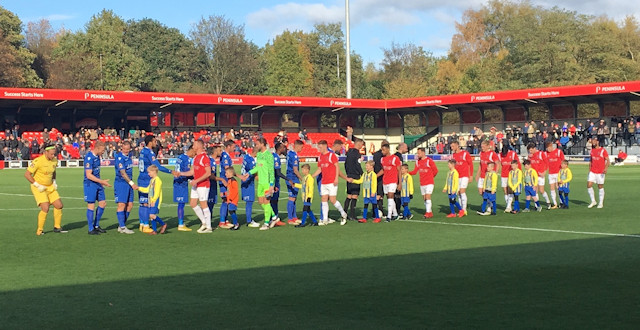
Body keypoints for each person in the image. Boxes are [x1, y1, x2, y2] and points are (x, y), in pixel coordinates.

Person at [24, 143, 66, 235]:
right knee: (45, 207)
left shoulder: (54, 160)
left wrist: (54, 181)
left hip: (50, 186)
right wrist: (37, 184)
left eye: (54, 154)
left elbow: (54, 171)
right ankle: (39, 230)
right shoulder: (38, 161)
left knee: (59, 205)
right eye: (51, 154)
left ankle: (57, 227)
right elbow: (27, 174)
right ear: (46, 152)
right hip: (39, 187)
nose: (53, 155)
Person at [138, 135, 176, 232]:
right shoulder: (150, 152)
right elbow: (157, 166)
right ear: (150, 142)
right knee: (147, 203)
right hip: (148, 179)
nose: (156, 143)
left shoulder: (142, 151)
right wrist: (171, 171)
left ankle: (142, 224)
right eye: (155, 141)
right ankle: (146, 226)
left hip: (140, 178)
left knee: (142, 203)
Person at [178, 140, 213, 233]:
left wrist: (196, 180)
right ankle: (204, 222)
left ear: (198, 145)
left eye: (194, 144)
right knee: (193, 203)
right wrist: (180, 173)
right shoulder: (196, 157)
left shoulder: (204, 157)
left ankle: (209, 227)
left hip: (203, 184)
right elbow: (192, 171)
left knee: (203, 204)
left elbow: (208, 173)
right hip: (196, 184)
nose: (193, 146)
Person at [312, 140, 349, 225]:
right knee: (324, 199)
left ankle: (343, 213)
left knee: (332, 200)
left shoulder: (331, 155)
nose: (319, 149)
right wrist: (311, 176)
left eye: (320, 147)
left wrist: (336, 179)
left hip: (331, 182)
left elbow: (337, 167)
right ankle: (325, 219)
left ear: (325, 146)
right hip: (324, 182)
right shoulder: (320, 157)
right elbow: (319, 169)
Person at [243, 138, 276, 231]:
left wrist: (271, 184)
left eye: (257, 144)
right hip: (260, 183)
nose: (255, 146)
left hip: (266, 183)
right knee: (261, 202)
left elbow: (271, 171)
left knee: (266, 202)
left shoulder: (269, 155)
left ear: (262, 144)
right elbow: (257, 168)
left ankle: (266, 223)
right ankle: (274, 217)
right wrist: (248, 173)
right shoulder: (259, 155)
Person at [84, 141, 112, 235]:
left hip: (98, 183)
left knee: (103, 203)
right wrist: (102, 182)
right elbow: (89, 175)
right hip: (90, 184)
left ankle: (96, 225)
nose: (103, 152)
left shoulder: (97, 157)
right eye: (103, 150)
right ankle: (90, 228)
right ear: (98, 147)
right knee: (91, 205)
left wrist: (101, 182)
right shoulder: (89, 157)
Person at [114, 141, 137, 234]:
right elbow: (123, 173)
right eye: (125, 149)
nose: (126, 151)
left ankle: (121, 225)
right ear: (121, 148)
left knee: (130, 205)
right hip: (121, 183)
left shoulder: (129, 156)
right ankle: (123, 227)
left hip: (129, 183)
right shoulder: (120, 158)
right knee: (121, 205)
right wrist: (132, 183)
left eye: (128, 149)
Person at [136, 165, 166, 235]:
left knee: (151, 215)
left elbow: (157, 192)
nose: (148, 174)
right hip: (151, 200)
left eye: (149, 172)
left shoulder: (158, 180)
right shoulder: (152, 180)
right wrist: (138, 188)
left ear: (154, 171)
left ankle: (163, 224)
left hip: (155, 200)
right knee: (152, 216)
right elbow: (147, 190)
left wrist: (154, 200)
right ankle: (155, 230)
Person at [410, 147, 438, 218]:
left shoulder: (429, 161)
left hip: (429, 182)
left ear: (423, 153)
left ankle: (428, 213)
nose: (418, 154)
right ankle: (429, 211)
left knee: (427, 197)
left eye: (419, 153)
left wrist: (431, 177)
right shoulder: (417, 161)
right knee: (425, 198)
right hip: (422, 183)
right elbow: (414, 171)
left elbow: (435, 170)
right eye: (417, 153)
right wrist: (407, 173)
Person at [174, 145, 196, 231]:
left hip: (177, 181)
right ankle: (180, 224)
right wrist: (195, 178)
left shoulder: (180, 157)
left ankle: (181, 223)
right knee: (181, 203)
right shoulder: (186, 159)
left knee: (181, 203)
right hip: (181, 182)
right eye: (194, 151)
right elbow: (188, 172)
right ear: (191, 150)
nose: (194, 154)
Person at [378, 144, 402, 221]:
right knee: (389, 198)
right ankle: (395, 214)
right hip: (385, 181)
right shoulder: (382, 159)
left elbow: (399, 170)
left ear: (388, 149)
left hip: (393, 181)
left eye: (383, 150)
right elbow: (383, 170)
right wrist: (376, 176)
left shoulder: (395, 158)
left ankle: (389, 216)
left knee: (391, 196)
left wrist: (400, 183)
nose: (382, 152)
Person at [344, 138, 364, 221]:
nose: (362, 146)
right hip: (355, 176)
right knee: (355, 195)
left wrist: (348, 173)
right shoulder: (357, 154)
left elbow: (345, 164)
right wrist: (362, 174)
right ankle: (352, 215)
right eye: (361, 144)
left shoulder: (349, 152)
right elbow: (357, 165)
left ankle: (344, 213)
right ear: (358, 144)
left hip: (349, 175)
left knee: (349, 195)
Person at [451, 140, 473, 214]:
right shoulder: (453, 155)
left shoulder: (465, 153)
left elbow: (470, 164)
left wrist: (471, 175)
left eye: (453, 146)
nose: (452, 148)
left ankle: (464, 209)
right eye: (451, 146)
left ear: (457, 145)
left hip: (464, 175)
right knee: (459, 193)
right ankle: (460, 209)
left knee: (462, 191)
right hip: (457, 177)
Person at [271, 143, 291, 226]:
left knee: (272, 201)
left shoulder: (272, 156)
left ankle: (273, 218)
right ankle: (274, 219)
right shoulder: (276, 157)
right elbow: (278, 172)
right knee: (274, 201)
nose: (285, 149)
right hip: (274, 182)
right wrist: (288, 179)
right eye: (283, 147)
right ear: (279, 149)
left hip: (271, 182)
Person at [527, 143, 551, 209]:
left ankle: (548, 202)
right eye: (529, 150)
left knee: (541, 190)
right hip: (533, 176)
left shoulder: (541, 154)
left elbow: (547, 163)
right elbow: (528, 165)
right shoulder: (530, 156)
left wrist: (544, 172)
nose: (530, 152)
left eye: (531, 150)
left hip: (540, 175)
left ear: (534, 148)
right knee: (535, 190)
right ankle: (536, 205)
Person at [217, 140, 235, 228]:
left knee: (227, 200)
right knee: (225, 200)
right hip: (224, 181)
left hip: (226, 180)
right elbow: (227, 168)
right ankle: (222, 221)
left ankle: (226, 220)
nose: (234, 148)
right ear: (228, 146)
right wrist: (234, 174)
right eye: (233, 147)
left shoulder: (226, 155)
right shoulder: (224, 156)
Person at [587, 137, 609, 209]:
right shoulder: (592, 151)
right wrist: (589, 169)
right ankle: (593, 201)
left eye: (594, 141)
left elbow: (607, 160)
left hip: (600, 172)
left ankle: (601, 203)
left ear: (598, 142)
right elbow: (591, 161)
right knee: (589, 185)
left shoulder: (603, 150)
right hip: (593, 171)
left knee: (600, 186)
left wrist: (605, 168)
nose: (593, 142)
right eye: (592, 141)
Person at [285, 140, 304, 225]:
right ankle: (290, 219)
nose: (302, 149)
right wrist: (302, 179)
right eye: (301, 147)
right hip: (293, 178)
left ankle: (294, 217)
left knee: (294, 198)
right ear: (298, 146)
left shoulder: (289, 153)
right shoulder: (295, 156)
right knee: (292, 198)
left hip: (289, 177)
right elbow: (295, 170)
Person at [241, 148, 260, 228]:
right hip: (247, 182)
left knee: (249, 202)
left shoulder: (246, 157)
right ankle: (249, 221)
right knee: (249, 201)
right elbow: (255, 173)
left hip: (246, 182)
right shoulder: (250, 160)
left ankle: (249, 220)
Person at [500, 145, 520, 213]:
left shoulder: (513, 154)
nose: (504, 155)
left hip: (511, 175)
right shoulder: (500, 155)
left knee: (510, 190)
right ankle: (509, 205)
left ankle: (508, 206)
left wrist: (518, 173)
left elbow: (518, 163)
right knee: (505, 191)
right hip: (503, 175)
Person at [546, 141, 565, 209]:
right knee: (552, 188)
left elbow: (563, 161)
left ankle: (561, 202)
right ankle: (555, 203)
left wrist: (563, 171)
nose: (548, 149)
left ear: (551, 146)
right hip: (551, 173)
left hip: (558, 173)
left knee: (558, 188)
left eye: (548, 148)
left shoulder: (558, 152)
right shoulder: (546, 154)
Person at [393, 143, 409, 216]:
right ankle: (397, 211)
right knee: (397, 195)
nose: (407, 148)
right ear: (401, 147)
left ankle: (397, 211)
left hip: (397, 178)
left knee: (397, 195)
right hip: (396, 178)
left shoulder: (398, 156)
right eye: (406, 147)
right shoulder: (397, 156)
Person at [208, 146, 221, 226]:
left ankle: (207, 222)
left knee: (210, 204)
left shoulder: (211, 160)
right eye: (219, 150)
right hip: (210, 185)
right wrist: (221, 179)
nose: (221, 152)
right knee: (209, 204)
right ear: (215, 152)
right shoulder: (211, 161)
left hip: (211, 185)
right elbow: (211, 176)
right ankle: (207, 222)